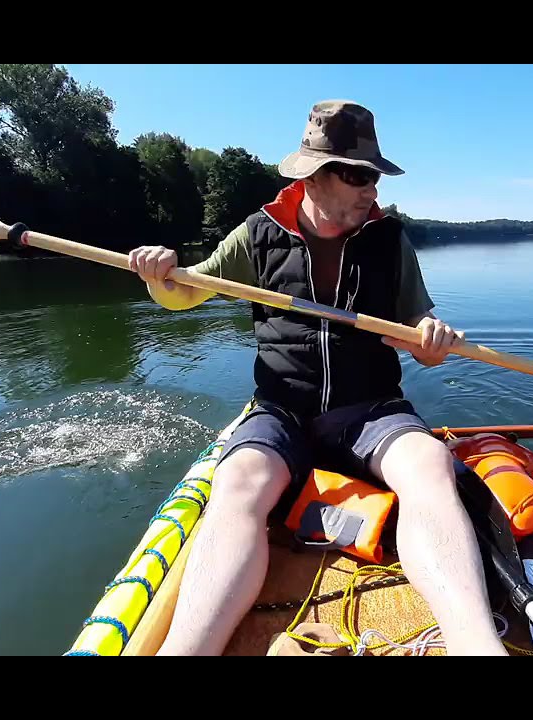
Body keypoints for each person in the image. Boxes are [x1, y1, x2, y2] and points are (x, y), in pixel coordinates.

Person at [127, 100, 507, 655]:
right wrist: (158, 275)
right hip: (280, 409)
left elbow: (420, 343)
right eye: (357, 175)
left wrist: (431, 338)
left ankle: (477, 644)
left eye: (374, 176)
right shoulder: (258, 234)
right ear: (313, 174)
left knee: (428, 464)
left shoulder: (390, 241)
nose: (371, 190)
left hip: (371, 409)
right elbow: (185, 293)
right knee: (236, 485)